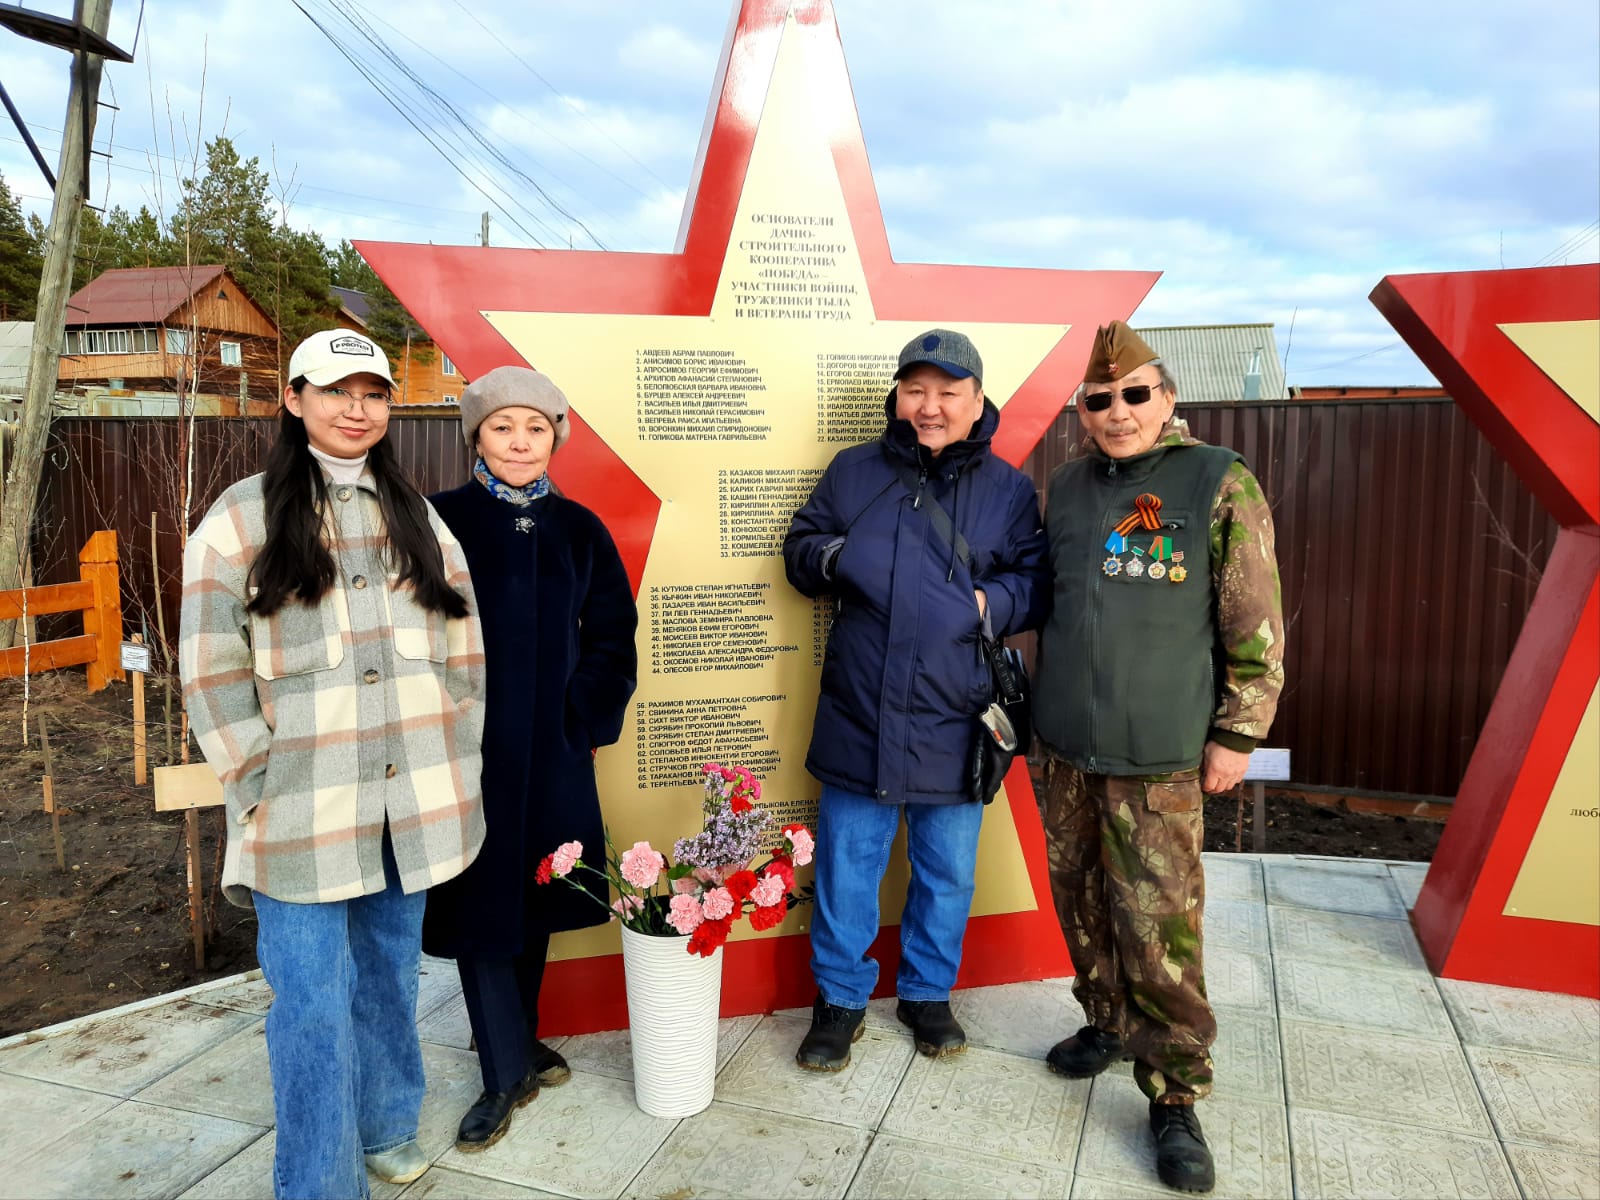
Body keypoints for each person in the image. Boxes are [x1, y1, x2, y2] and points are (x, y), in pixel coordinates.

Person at [180, 328, 486, 1199]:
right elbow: (210, 668)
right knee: (310, 1002)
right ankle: (318, 1181)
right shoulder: (242, 517)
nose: (358, 409)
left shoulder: (416, 516)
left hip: (411, 797)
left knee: (390, 974)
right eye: (336, 391)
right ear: (295, 399)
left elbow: (464, 650)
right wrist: (257, 782)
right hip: (301, 808)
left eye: (374, 393)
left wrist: (455, 751)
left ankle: (388, 1122)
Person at [1032, 321, 1284, 1194]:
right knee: (1083, 900)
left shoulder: (1216, 480)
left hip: (1161, 754)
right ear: (1084, 411)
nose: (1118, 412)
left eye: (1135, 394)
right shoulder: (1065, 487)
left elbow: (1253, 619)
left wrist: (1238, 732)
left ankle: (1175, 1091)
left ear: (1167, 397)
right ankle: (1104, 1021)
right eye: (1099, 400)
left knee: (1160, 928)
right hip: (1063, 745)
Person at [783, 328, 1049, 1070]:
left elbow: (1036, 584)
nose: (929, 406)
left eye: (947, 392)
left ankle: (928, 995)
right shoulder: (853, 470)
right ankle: (838, 1001)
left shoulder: (1007, 489)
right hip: (859, 708)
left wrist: (984, 602)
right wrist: (839, 556)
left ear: (976, 401)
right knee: (846, 868)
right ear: (898, 395)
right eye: (915, 389)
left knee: (947, 872)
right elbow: (801, 549)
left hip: (957, 716)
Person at [420, 366, 638, 1151]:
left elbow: (615, 635)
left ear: (556, 438)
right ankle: (502, 1071)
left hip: (552, 751)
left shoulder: (580, 529)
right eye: (502, 426)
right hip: (462, 752)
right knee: (478, 902)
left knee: (539, 890)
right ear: (475, 435)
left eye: (536, 428)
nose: (519, 442)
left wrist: (581, 715)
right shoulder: (436, 522)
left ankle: (519, 1038)